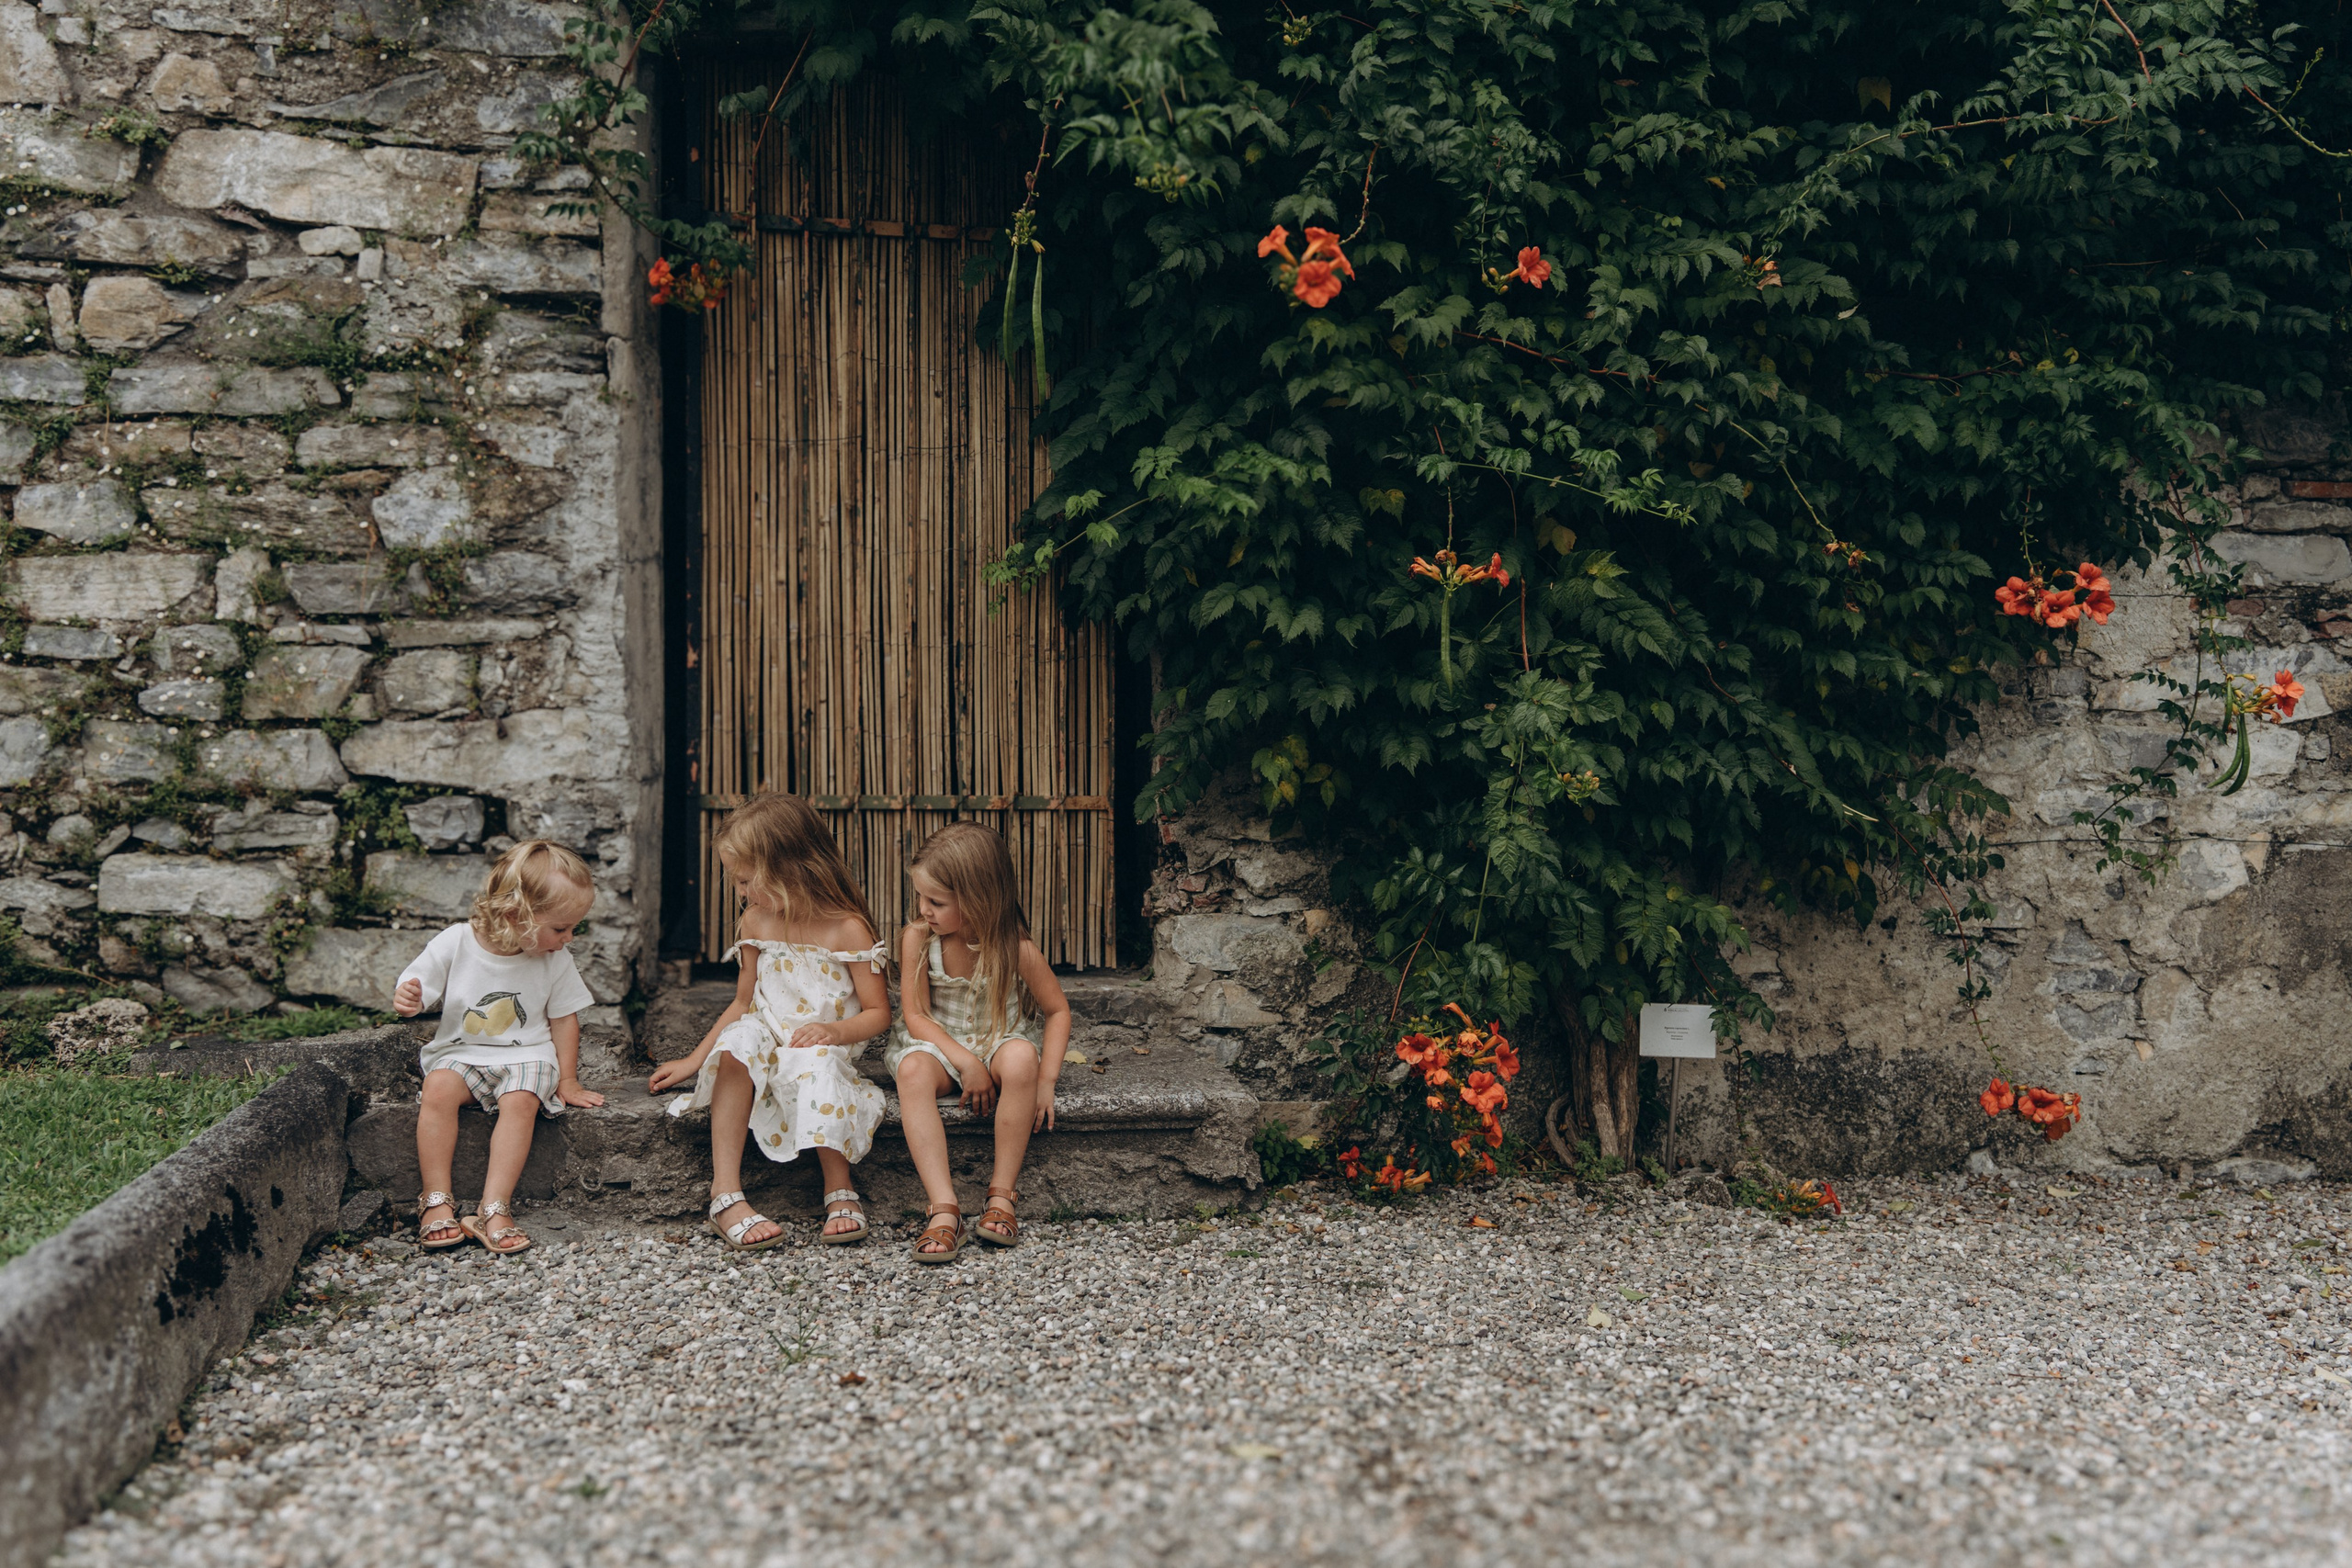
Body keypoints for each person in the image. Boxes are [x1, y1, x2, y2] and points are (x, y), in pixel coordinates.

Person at [648, 795, 890, 1249]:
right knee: (740, 1040)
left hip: (823, 1044)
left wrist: (834, 1032)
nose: (739, 892)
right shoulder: (755, 920)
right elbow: (743, 1002)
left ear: (791, 867)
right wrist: (696, 1060)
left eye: (744, 880)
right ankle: (725, 1194)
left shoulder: (847, 928)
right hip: (767, 1032)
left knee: (815, 1062)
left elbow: (879, 1013)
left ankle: (839, 1188)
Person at [396, 840, 605, 1256]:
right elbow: (420, 985)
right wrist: (410, 999)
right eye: (560, 928)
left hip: (527, 1054)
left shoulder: (554, 959)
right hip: (463, 1051)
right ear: (516, 917)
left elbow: (565, 1019)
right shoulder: (457, 942)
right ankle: (436, 1199)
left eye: (573, 928)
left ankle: (494, 1207)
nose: (568, 939)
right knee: (437, 1088)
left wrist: (567, 1079)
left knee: (521, 1099)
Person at [884, 822, 1071, 1261]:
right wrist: (966, 1061)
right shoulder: (918, 938)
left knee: (1023, 1059)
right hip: (939, 1046)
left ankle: (1002, 1195)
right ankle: (944, 1208)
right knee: (911, 1072)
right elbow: (915, 1017)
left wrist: (1047, 1081)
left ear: (977, 899)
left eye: (936, 901)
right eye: (921, 898)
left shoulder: (1013, 946)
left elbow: (1058, 1010)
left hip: (998, 1039)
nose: (923, 910)